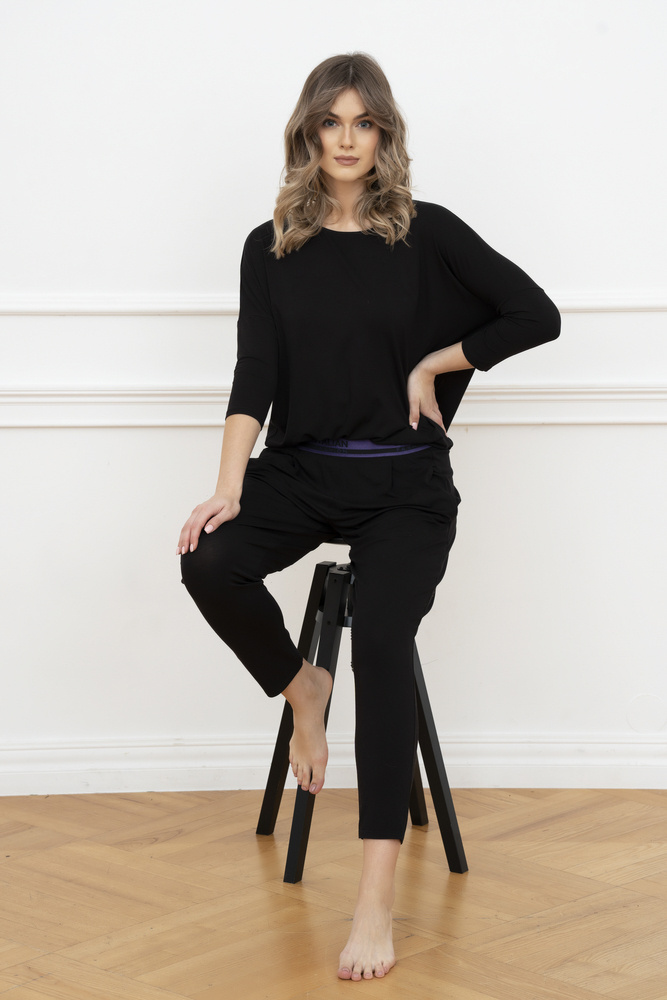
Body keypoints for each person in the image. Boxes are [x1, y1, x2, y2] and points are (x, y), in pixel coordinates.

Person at [177, 52, 560, 982]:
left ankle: (374, 898)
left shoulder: (428, 234)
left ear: (383, 133)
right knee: (209, 560)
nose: (345, 139)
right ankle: (301, 689)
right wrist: (228, 485)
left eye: (362, 122)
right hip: (302, 472)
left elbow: (534, 313)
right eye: (330, 122)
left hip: (405, 488)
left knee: (383, 641)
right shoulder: (271, 244)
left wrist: (437, 362)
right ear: (307, 133)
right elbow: (254, 375)